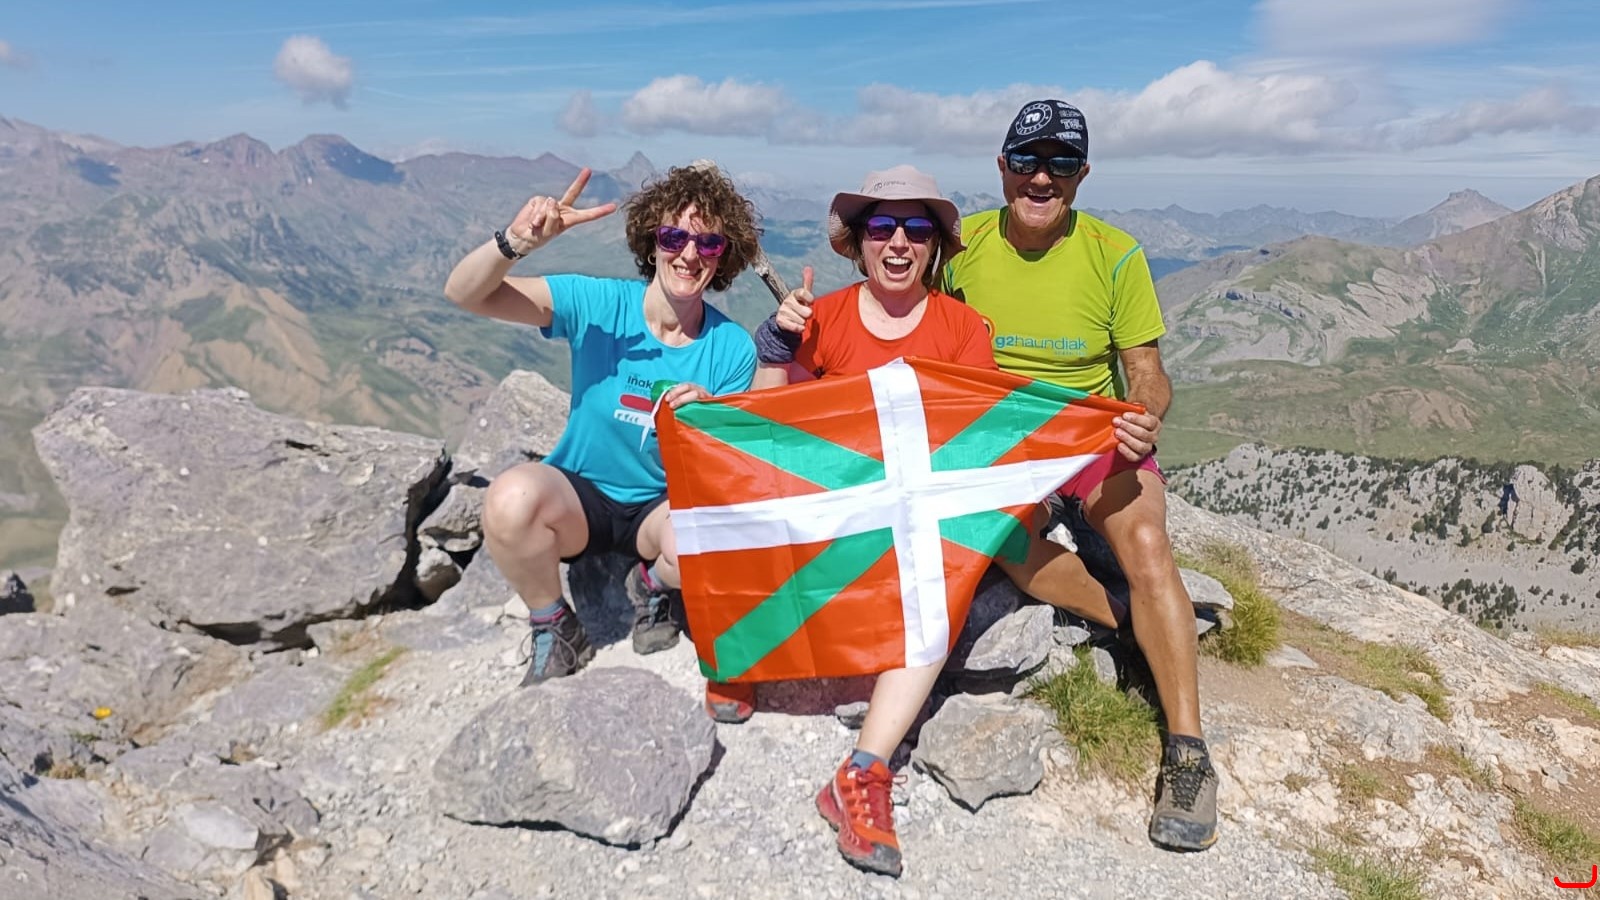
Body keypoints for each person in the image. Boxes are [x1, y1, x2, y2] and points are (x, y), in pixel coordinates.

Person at [942, 99, 1219, 852]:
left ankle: (1188, 751)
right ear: (1002, 168)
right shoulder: (960, 247)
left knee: (1147, 545)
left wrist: (1144, 415)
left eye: (1061, 164)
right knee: (1003, 537)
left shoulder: (1115, 254)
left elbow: (1146, 371)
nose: (1042, 178)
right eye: (1027, 161)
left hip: (1095, 432)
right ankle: (1132, 623)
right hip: (1005, 439)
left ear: (1083, 174)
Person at [751, 165, 993, 877]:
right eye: (882, 227)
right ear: (858, 243)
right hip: (831, 515)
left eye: (916, 229)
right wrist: (775, 344)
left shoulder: (963, 329)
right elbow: (764, 428)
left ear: (934, 247)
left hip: (915, 522)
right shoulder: (819, 320)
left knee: (938, 590)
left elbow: (976, 438)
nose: (898, 243)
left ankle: (863, 771)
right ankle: (742, 654)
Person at [443, 165, 760, 686]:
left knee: (708, 541)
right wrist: (515, 244)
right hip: (581, 496)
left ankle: (651, 585)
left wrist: (710, 418)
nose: (689, 254)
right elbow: (465, 294)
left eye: (708, 243)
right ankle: (555, 624)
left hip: (663, 506)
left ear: (723, 256)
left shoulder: (732, 350)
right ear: (652, 241)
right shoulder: (598, 305)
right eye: (674, 237)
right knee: (510, 499)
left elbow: (728, 471)